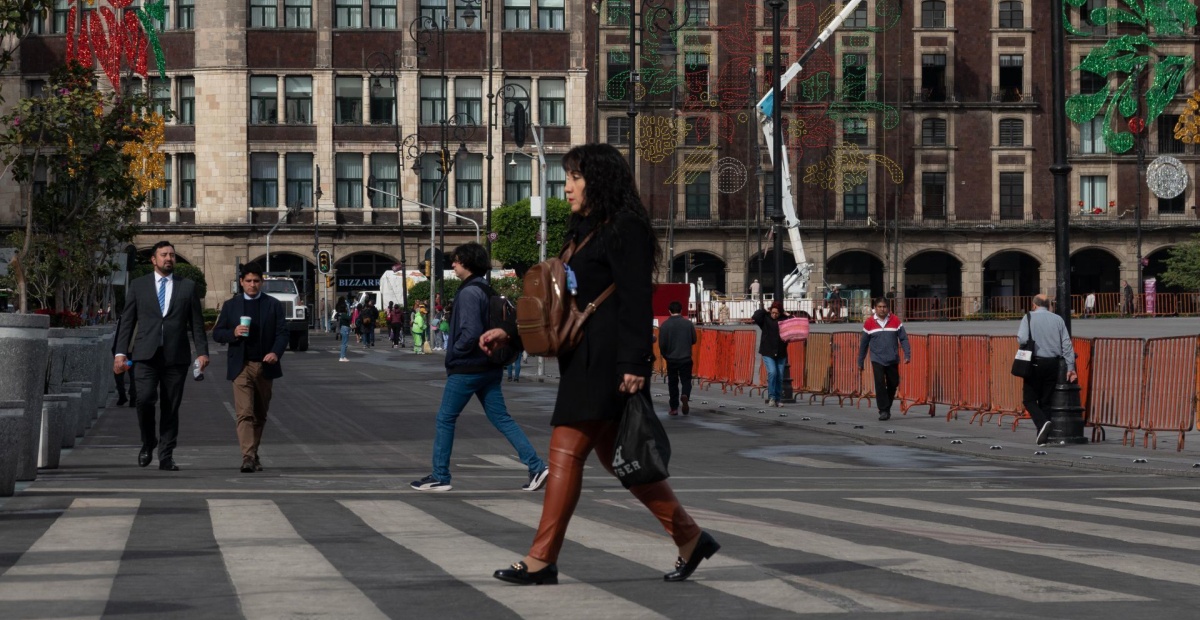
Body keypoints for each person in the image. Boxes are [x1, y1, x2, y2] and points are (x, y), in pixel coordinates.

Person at [482, 143, 718, 586]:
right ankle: (689, 537)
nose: (566, 186)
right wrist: (511, 333)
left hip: (608, 361)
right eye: (567, 176)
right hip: (584, 358)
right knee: (621, 461)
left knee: (565, 450)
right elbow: (560, 303)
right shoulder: (583, 231)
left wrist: (635, 363)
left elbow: (634, 298)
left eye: (575, 177)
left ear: (600, 180)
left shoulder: (625, 227)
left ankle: (541, 558)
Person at [409, 242, 548, 493]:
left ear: (467, 263)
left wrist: (456, 352)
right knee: (501, 418)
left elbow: (471, 331)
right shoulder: (485, 288)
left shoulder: (469, 293)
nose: (453, 264)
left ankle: (440, 475)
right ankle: (536, 466)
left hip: (468, 367)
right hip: (488, 366)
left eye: (457, 260)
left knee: (445, 419)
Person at [113, 240, 209, 471]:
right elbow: (127, 321)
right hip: (145, 355)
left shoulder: (187, 286)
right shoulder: (138, 286)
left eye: (172, 255)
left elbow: (196, 323)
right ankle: (148, 442)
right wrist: (120, 353)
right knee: (144, 400)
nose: (169, 258)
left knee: (170, 406)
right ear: (153, 260)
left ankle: (166, 455)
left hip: (176, 357)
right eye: (164, 254)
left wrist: (202, 353)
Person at [211, 263, 289, 473]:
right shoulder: (231, 305)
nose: (252, 285)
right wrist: (233, 333)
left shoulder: (272, 305)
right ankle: (247, 457)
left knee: (260, 414)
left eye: (256, 281)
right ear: (241, 283)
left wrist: (275, 352)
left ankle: (253, 452)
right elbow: (217, 334)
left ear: (261, 282)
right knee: (244, 413)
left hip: (265, 366)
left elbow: (282, 333)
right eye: (248, 281)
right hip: (241, 366)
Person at [1017, 294, 1078, 446]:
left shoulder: (1028, 317)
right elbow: (1067, 344)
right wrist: (1071, 367)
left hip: (1035, 362)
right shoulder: (1058, 319)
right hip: (1053, 364)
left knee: (1029, 399)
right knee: (1046, 401)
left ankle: (1042, 423)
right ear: (1049, 305)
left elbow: (1022, 339)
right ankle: (1042, 438)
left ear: (1034, 305)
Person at [856, 298, 911, 421]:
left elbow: (903, 339)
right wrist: (860, 361)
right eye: (880, 307)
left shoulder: (895, 321)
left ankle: (887, 407)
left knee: (893, 383)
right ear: (875, 308)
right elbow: (864, 344)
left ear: (888, 308)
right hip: (877, 359)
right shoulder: (869, 323)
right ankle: (883, 410)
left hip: (892, 359)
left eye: (884, 307)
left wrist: (907, 354)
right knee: (880, 384)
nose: (882, 309)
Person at [657, 300, 696, 416]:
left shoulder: (665, 325)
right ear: (681, 310)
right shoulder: (688, 324)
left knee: (672, 383)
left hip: (672, 359)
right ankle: (685, 395)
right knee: (686, 380)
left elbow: (662, 344)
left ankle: (674, 408)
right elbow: (694, 339)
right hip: (686, 357)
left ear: (669, 311)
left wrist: (665, 355)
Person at [752, 300, 788, 408]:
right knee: (772, 372)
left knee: (780, 376)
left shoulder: (783, 320)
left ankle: (778, 399)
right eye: (773, 312)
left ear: (780, 313)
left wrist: (787, 314)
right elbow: (755, 316)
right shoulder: (765, 319)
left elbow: (794, 322)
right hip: (767, 351)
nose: (774, 315)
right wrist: (765, 310)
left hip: (781, 352)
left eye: (776, 313)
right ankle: (772, 397)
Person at [111, 312, 136, 407]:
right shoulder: (124, 317)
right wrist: (115, 349)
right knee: (118, 373)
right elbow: (119, 334)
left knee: (133, 375)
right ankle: (122, 395)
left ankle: (132, 397)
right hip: (123, 351)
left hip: (134, 351)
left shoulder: (142, 317)